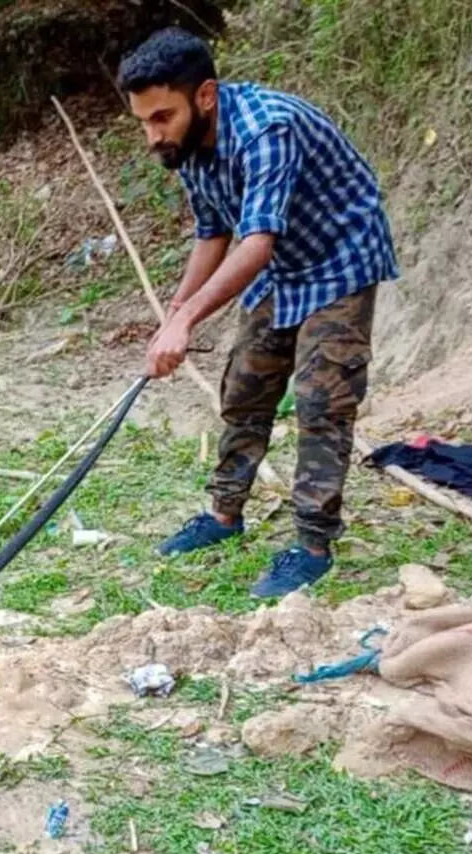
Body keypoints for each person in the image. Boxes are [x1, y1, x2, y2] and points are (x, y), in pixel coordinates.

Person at [120, 28, 399, 598]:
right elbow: (213, 233)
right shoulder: (186, 146)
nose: (153, 135)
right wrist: (175, 313)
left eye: (162, 117)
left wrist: (188, 321)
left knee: (322, 402)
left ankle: (313, 546)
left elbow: (255, 246)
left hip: (339, 258)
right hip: (282, 264)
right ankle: (224, 515)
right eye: (144, 121)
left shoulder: (266, 130)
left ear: (205, 96)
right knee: (246, 386)